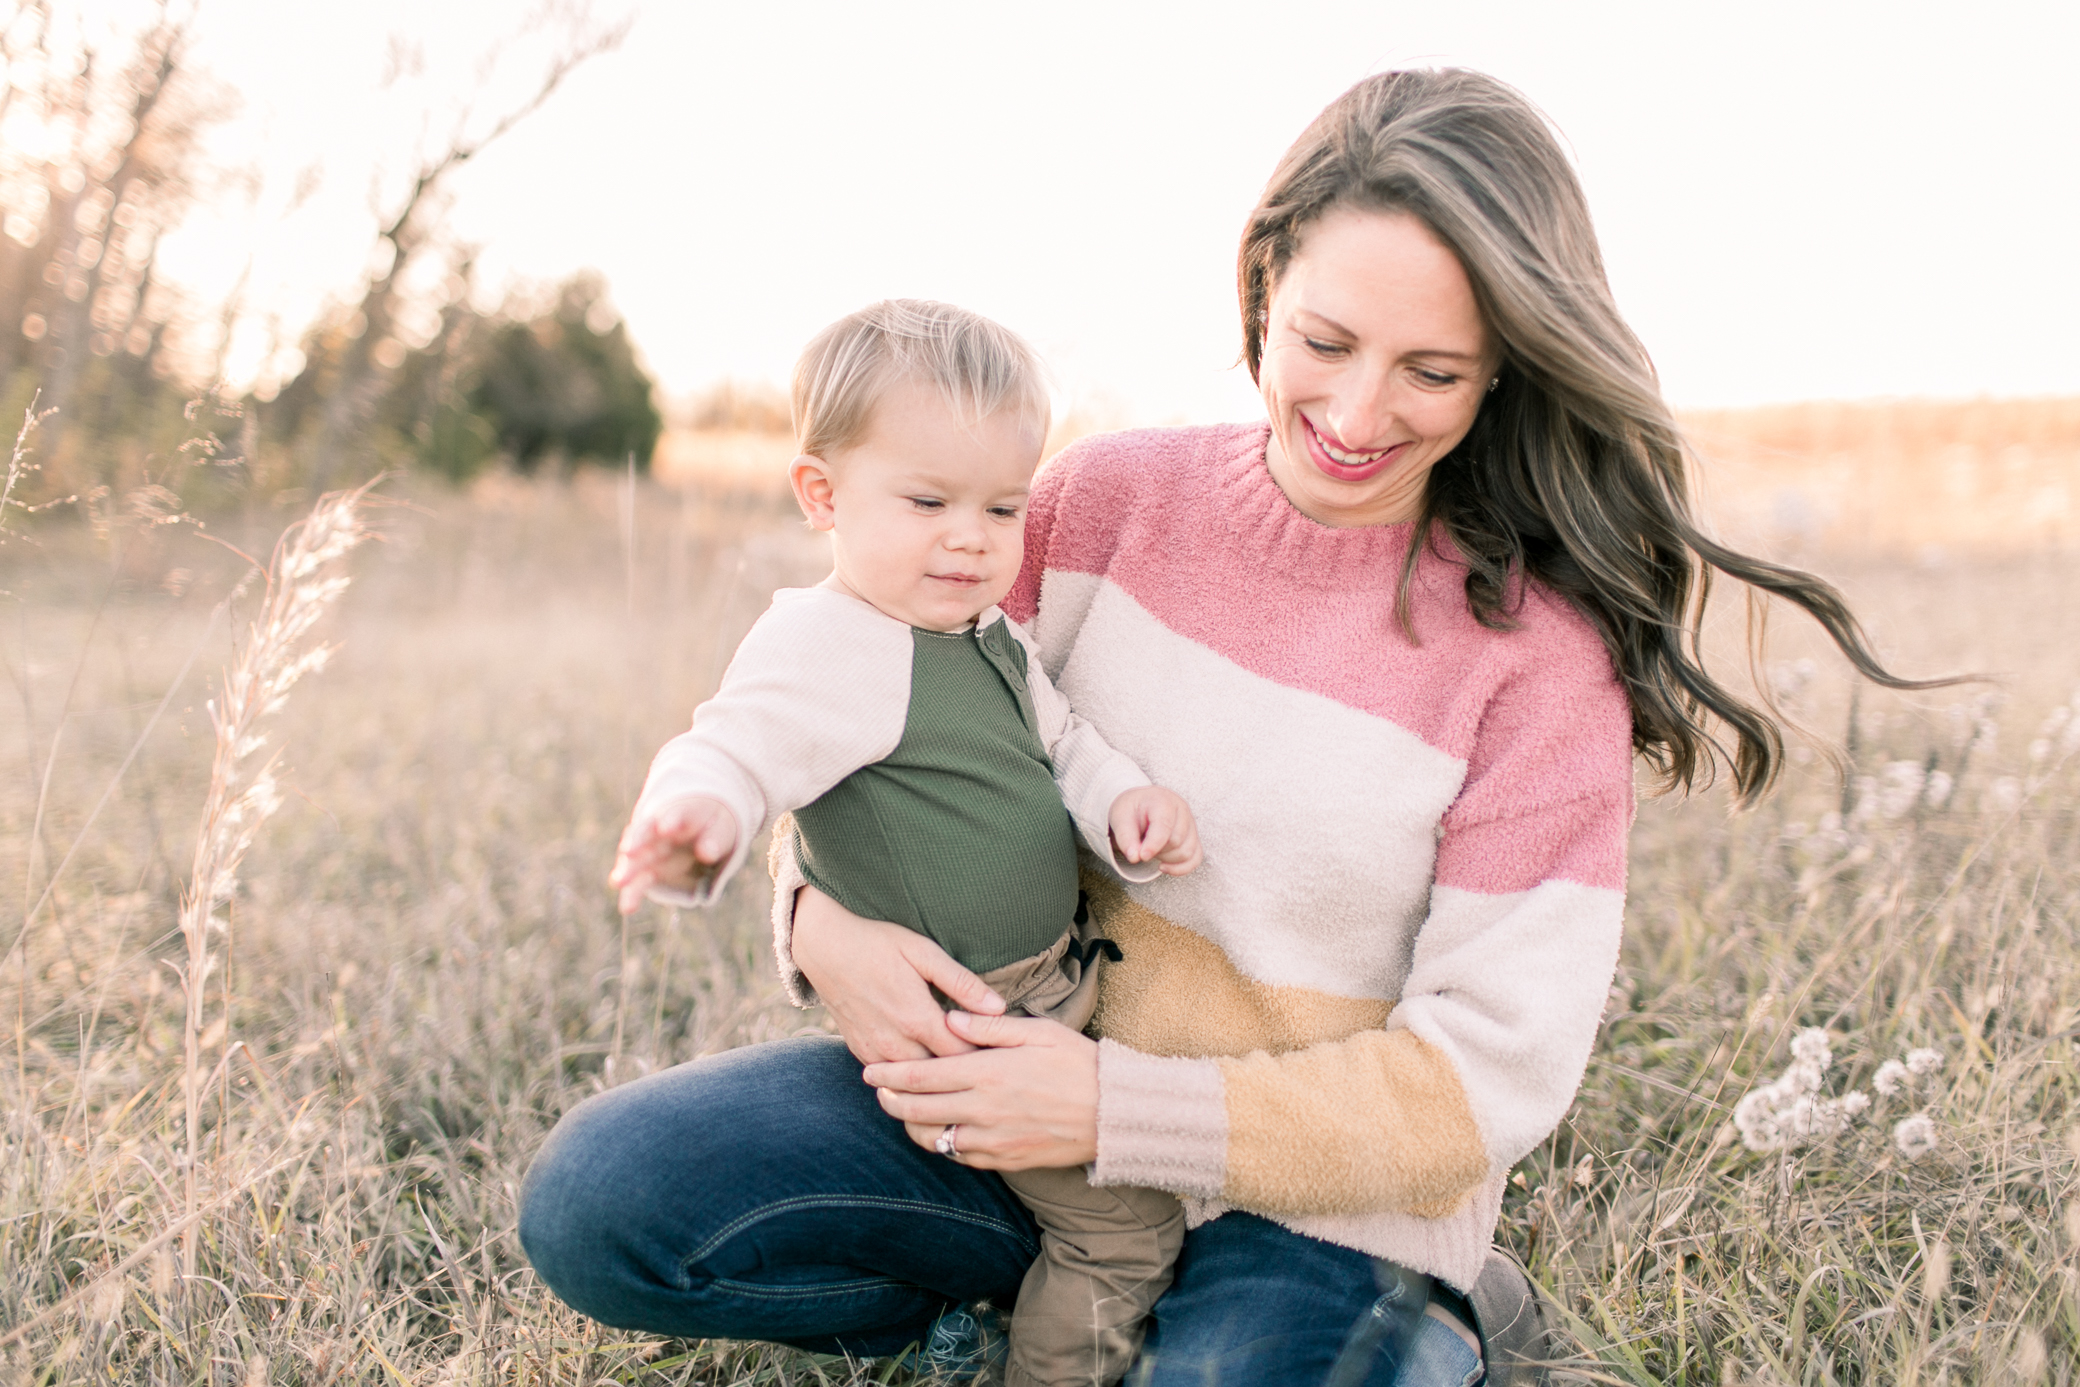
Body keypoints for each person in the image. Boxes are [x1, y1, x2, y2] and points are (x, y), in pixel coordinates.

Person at [521, 69, 1938, 1386]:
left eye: (1432, 372)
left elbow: (1481, 1081)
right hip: (1020, 1127)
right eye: (1324, 340)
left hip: (1320, 1203)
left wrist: (1113, 1106)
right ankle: (1050, 1296)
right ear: (1263, 284)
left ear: (1506, 367)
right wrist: (814, 925)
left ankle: (1418, 1314)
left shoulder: (1534, 666)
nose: (1358, 411)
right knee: (607, 1202)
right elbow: (869, 724)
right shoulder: (1092, 502)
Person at [605, 298, 1204, 1387]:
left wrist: (1122, 803)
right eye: (927, 500)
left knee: (1140, 1173)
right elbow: (733, 747)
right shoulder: (829, 639)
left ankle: (996, 1300)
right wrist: (701, 819)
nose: (970, 536)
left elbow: (1062, 744)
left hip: (1047, 990)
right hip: (971, 1025)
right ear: (821, 496)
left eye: (1001, 506)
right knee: (1122, 1234)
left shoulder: (982, 632)